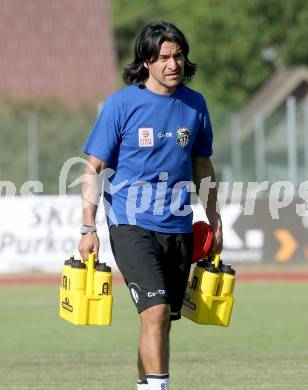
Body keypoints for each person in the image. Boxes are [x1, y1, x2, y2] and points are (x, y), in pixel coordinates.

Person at [78, 20, 223, 390]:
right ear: (146, 61)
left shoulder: (195, 105)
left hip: (177, 225)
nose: (173, 64)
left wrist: (214, 217)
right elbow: (93, 168)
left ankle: (147, 386)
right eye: (163, 57)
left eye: (178, 55)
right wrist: (88, 227)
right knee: (155, 310)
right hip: (130, 223)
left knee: (160, 320)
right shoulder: (121, 104)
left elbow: (202, 165)